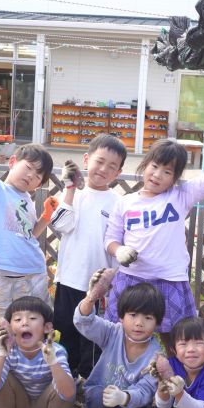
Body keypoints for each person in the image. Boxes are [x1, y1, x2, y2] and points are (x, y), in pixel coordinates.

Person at [104, 105, 204, 343]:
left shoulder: (180, 196)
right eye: (154, 167)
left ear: (175, 179)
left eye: (167, 172)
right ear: (145, 165)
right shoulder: (125, 203)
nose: (157, 175)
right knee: (122, 336)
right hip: (132, 280)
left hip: (169, 280)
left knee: (174, 337)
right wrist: (119, 250)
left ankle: (177, 377)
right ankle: (122, 376)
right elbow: (110, 240)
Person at [0, 95, 56, 324]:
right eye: (28, 168)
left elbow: (29, 235)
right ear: (12, 163)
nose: (31, 176)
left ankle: (36, 356)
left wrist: (45, 217)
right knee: (0, 321)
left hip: (33, 271)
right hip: (2, 272)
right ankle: (1, 357)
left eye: (38, 176)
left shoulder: (27, 199)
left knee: (37, 321)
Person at [48, 133, 126, 379]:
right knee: (66, 328)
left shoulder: (118, 203)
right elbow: (61, 225)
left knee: (91, 332)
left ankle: (88, 376)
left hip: (98, 283)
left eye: (112, 166)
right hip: (68, 278)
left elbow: (118, 242)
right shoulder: (71, 195)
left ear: (119, 173)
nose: (103, 169)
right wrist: (69, 190)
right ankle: (65, 372)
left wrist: (113, 278)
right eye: (99, 161)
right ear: (86, 159)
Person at [74, 271, 163, 408]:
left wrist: (124, 397)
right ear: (121, 317)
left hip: (127, 404)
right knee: (97, 394)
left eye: (148, 318)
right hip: (100, 399)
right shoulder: (113, 333)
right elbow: (84, 322)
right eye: (133, 315)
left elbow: (146, 390)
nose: (139, 323)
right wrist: (91, 297)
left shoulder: (156, 355)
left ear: (157, 323)